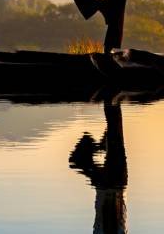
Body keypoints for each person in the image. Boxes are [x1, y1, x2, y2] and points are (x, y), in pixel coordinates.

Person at [69, 99, 128, 234]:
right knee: (115, 136)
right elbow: (112, 219)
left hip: (113, 186)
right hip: (112, 186)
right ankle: (100, 143)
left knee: (116, 136)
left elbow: (112, 220)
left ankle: (99, 143)